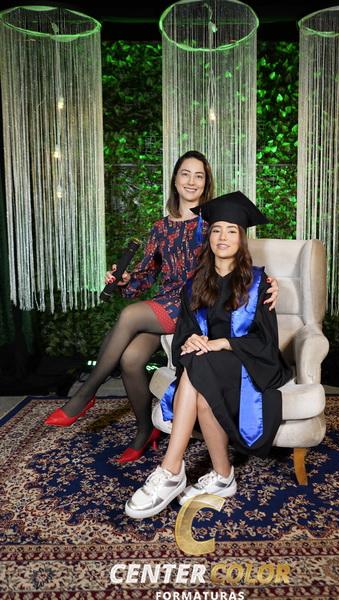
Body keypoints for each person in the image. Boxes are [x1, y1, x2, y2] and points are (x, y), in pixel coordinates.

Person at [44, 152, 280, 464]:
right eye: (185, 174)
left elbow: (235, 258)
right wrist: (126, 279)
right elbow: (145, 278)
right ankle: (145, 431)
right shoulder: (159, 227)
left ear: (206, 183)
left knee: (129, 315)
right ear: (175, 179)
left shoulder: (212, 222)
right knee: (130, 360)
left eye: (199, 176)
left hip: (195, 304)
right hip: (163, 304)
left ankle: (85, 395)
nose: (192, 181)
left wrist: (269, 282)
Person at [124, 191, 292, 519]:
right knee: (201, 384)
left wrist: (222, 343)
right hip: (207, 366)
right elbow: (185, 334)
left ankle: (171, 469)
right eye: (216, 230)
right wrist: (190, 343)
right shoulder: (195, 285)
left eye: (231, 231)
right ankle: (223, 476)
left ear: (241, 239)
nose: (223, 237)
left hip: (250, 363)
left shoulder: (259, 283)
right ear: (209, 236)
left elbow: (266, 343)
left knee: (200, 367)